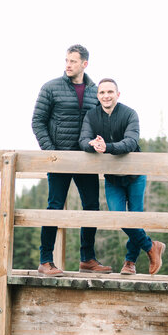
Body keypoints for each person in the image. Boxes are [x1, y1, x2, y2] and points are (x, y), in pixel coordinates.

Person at [31, 45, 112, 276]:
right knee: (54, 207)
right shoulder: (51, 88)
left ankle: (87, 259)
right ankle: (46, 260)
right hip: (59, 158)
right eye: (66, 60)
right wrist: (51, 152)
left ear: (84, 64)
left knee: (92, 208)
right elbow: (37, 121)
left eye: (73, 61)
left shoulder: (94, 91)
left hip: (86, 159)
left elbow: (101, 121)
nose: (68, 65)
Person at [79, 78, 165, 276]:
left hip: (135, 174)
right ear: (98, 96)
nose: (106, 96)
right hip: (112, 178)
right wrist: (92, 144)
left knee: (134, 218)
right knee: (119, 216)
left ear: (118, 94)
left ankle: (129, 262)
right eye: (102, 93)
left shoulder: (129, 114)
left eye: (110, 92)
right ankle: (152, 246)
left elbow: (131, 142)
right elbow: (83, 139)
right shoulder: (92, 116)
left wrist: (107, 147)